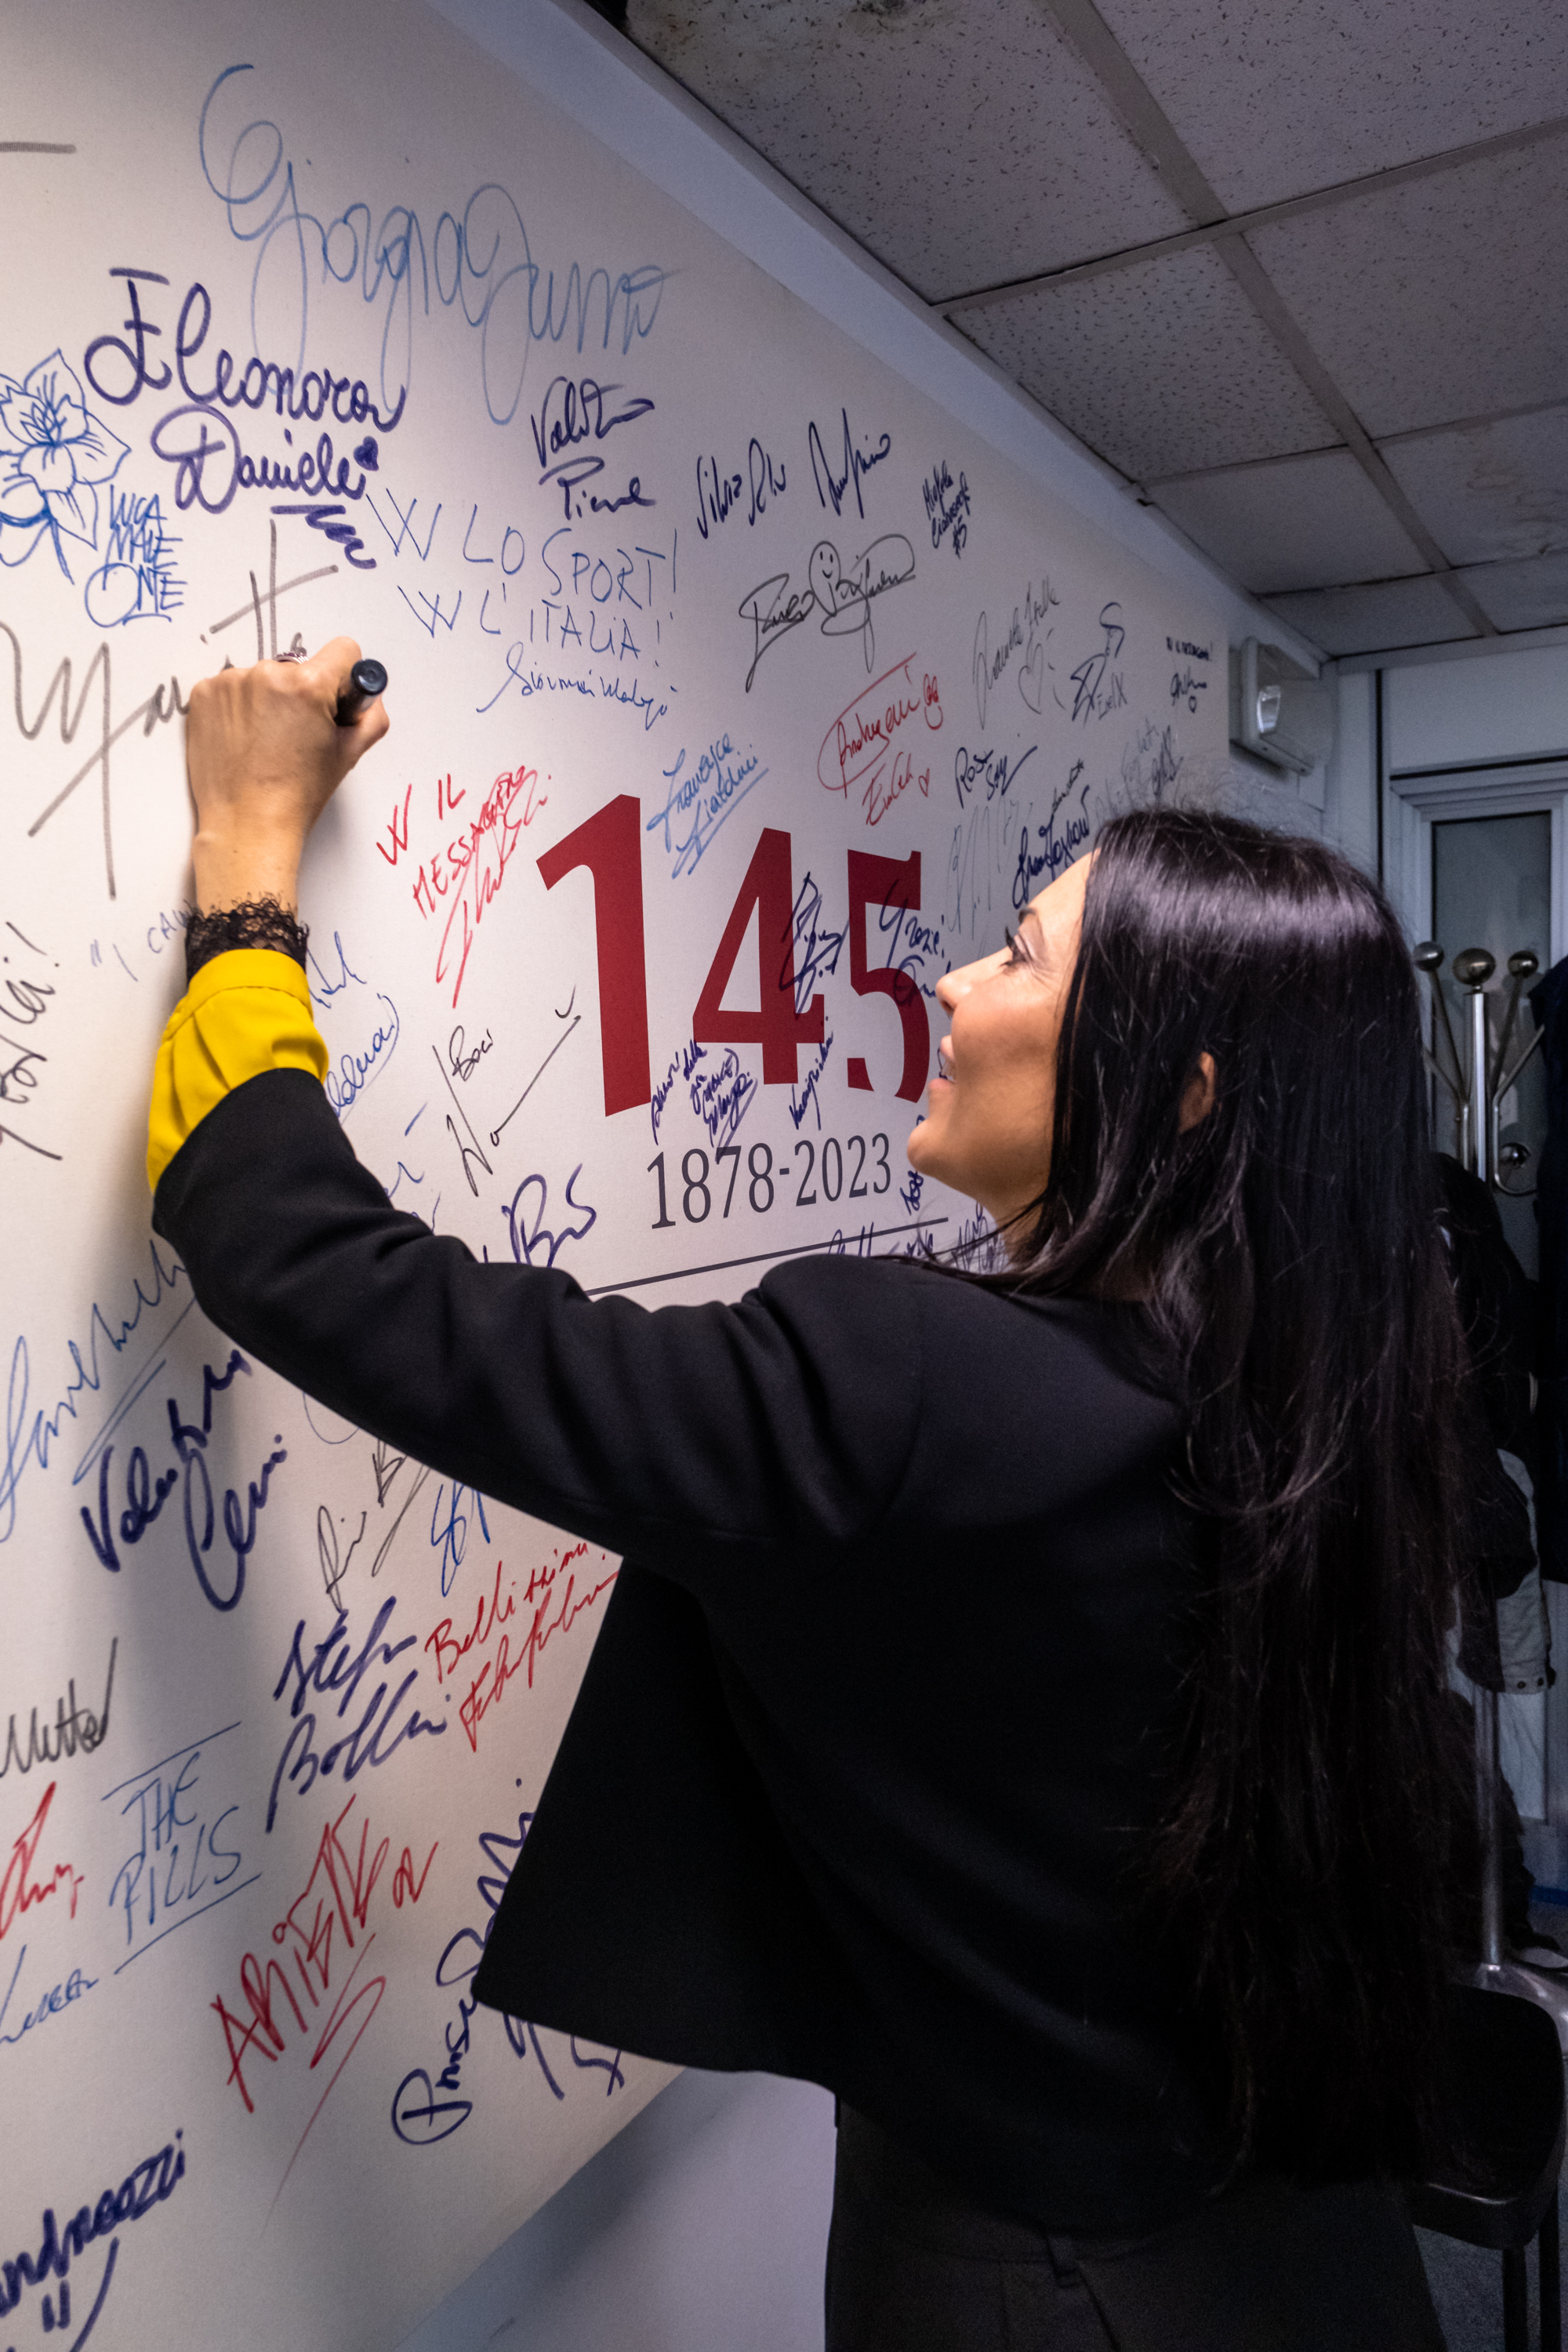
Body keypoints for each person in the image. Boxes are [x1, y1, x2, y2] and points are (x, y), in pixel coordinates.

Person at [148, 640, 1467, 2350]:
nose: (948, 984)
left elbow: (317, 1268)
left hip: (1042, 2286)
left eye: (1019, 954)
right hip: (1301, 2236)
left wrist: (246, 870)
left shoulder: (921, 1392)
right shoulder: (1310, 1399)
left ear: (1181, 1087)